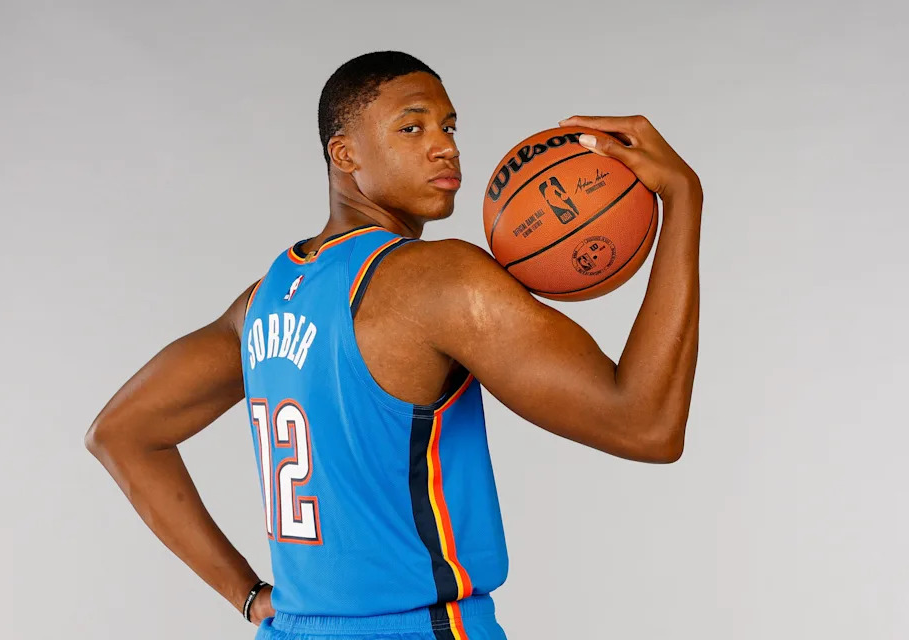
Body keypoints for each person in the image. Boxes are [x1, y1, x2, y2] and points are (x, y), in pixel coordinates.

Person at [85, 50, 702, 640]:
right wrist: (681, 199)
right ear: (344, 153)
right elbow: (645, 425)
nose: (447, 146)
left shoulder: (262, 303)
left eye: (450, 125)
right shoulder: (442, 280)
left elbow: (120, 433)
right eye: (412, 127)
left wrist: (248, 596)